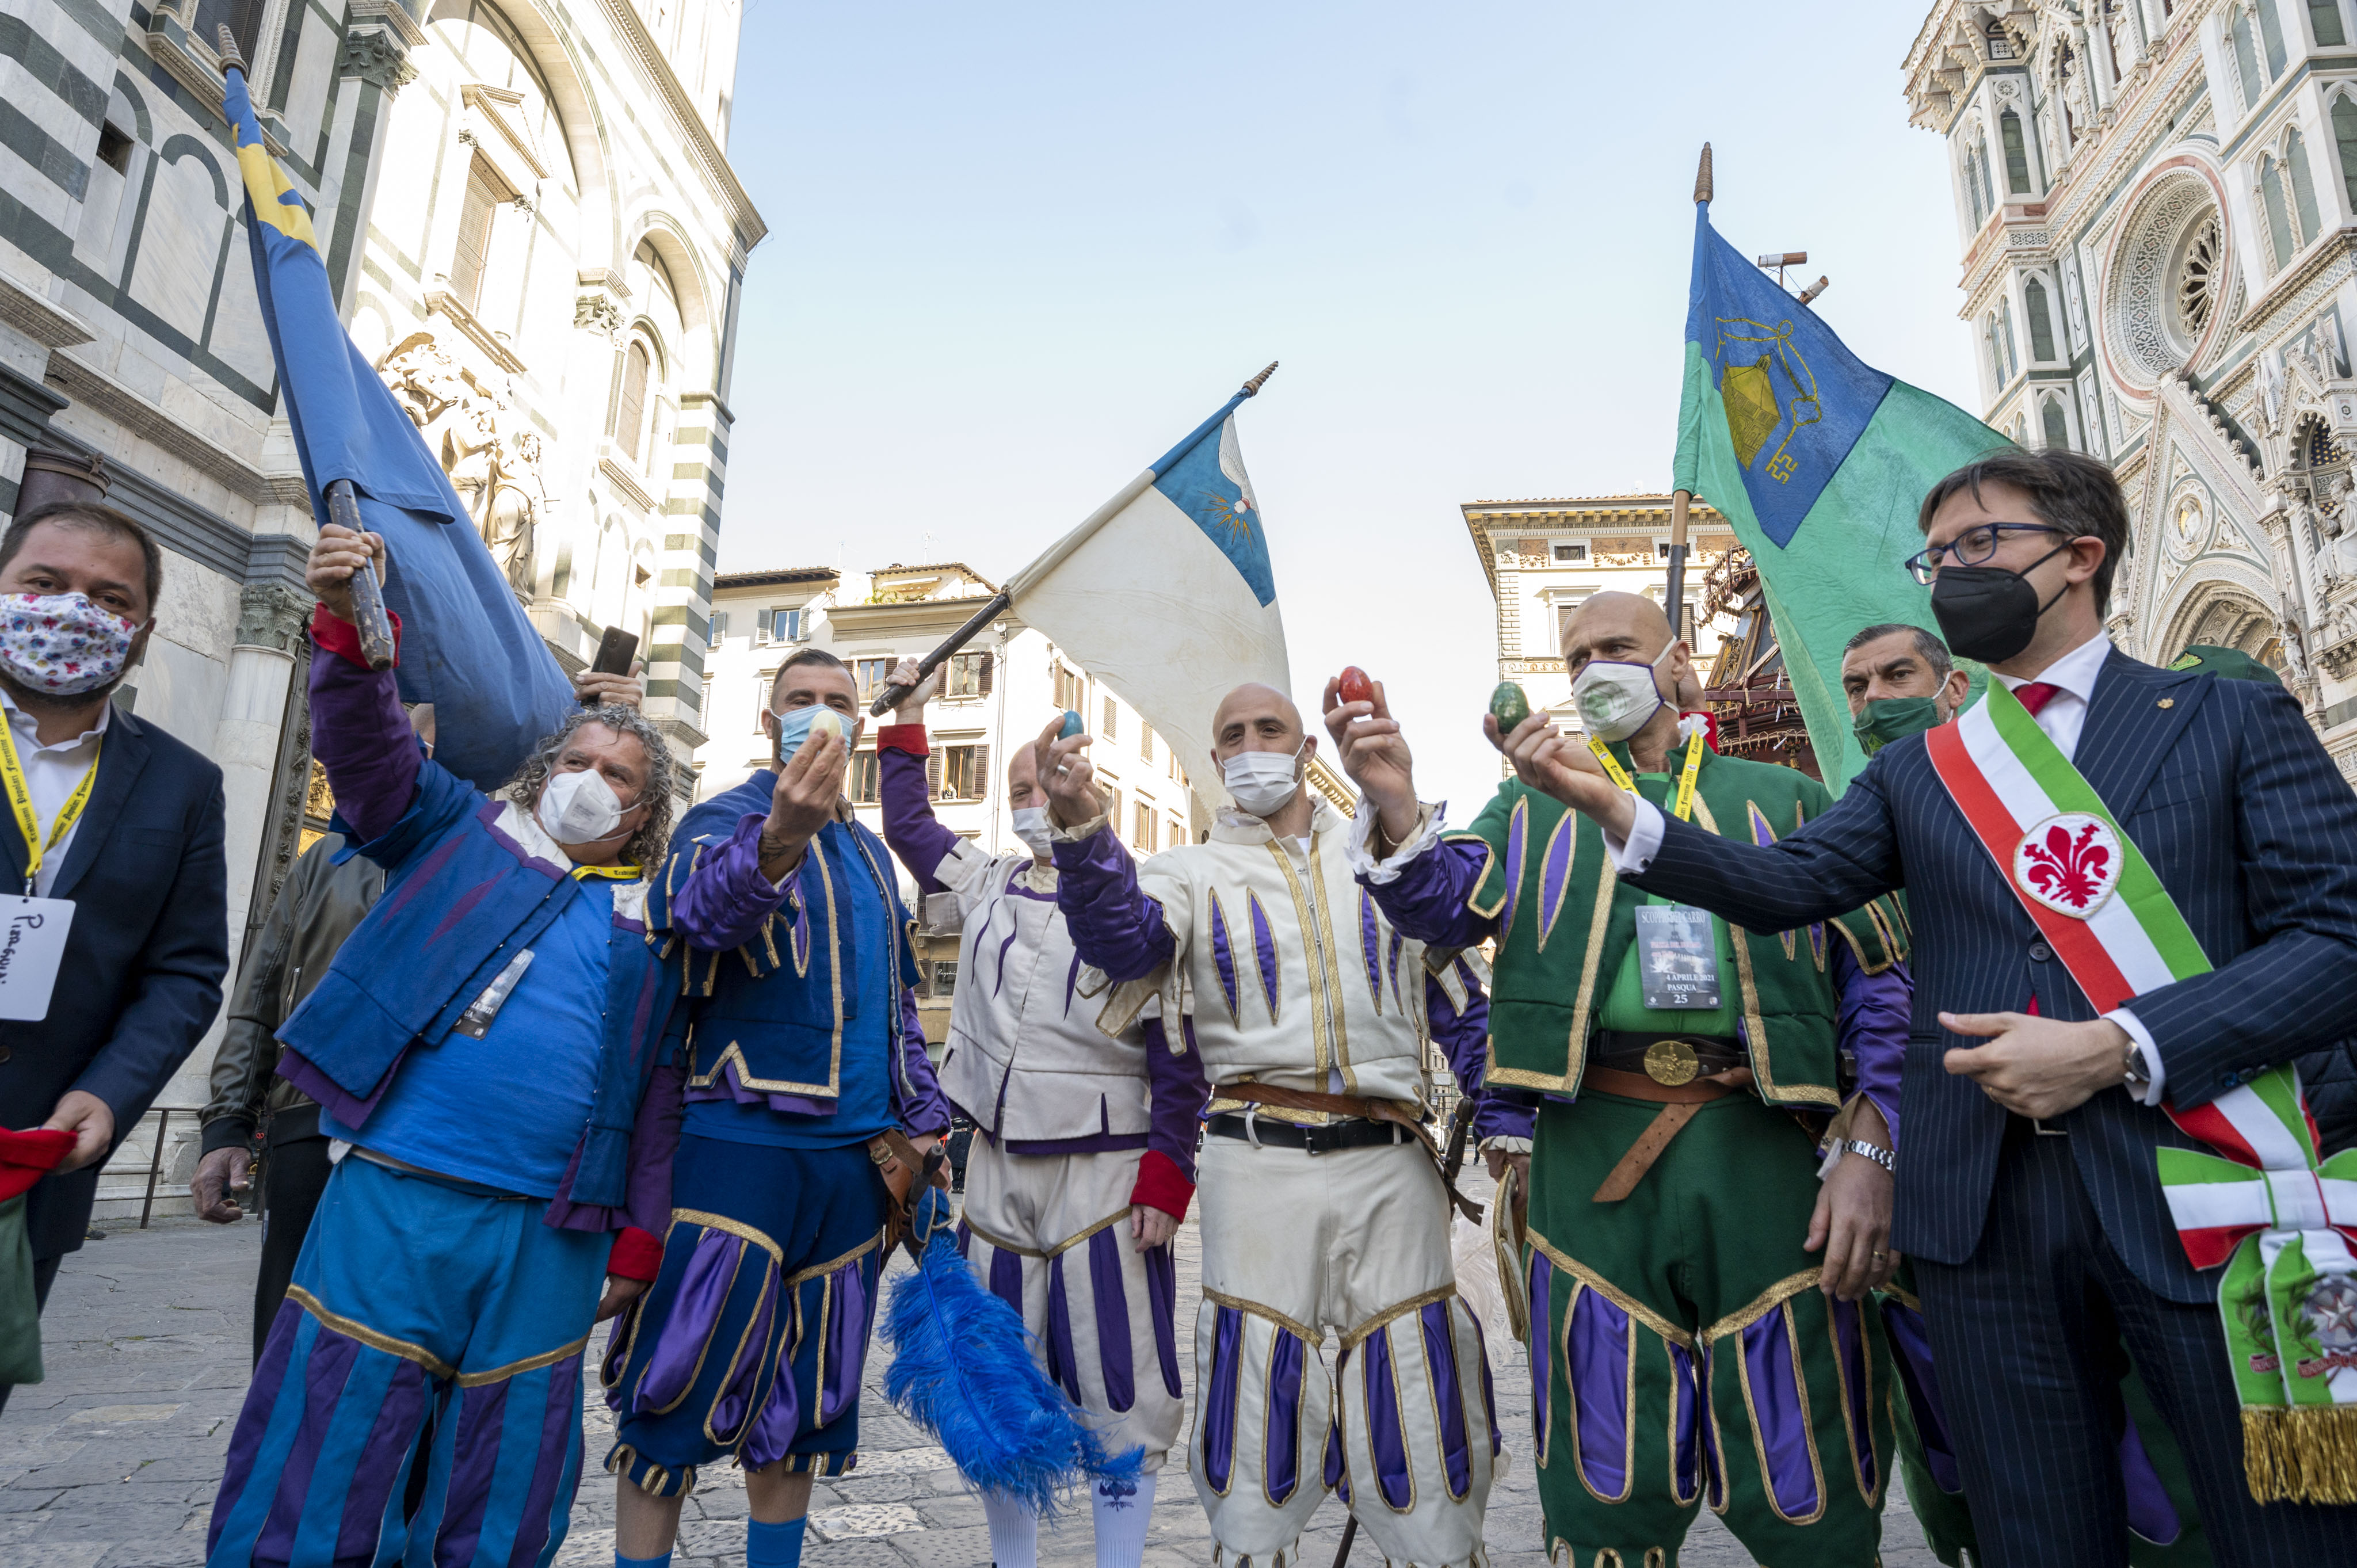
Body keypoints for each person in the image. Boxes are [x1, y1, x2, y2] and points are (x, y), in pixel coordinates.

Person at [1500, 449, 2357, 1563]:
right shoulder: (1925, 771)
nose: (1949, 572)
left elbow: (2335, 939)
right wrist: (1615, 812)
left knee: (2278, 1529)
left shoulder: (2222, 719)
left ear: (2076, 558)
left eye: (1978, 545)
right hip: (1985, 1213)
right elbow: (1786, 886)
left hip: (2200, 1188)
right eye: (1936, 556)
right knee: (2036, 1534)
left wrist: (2118, 1046)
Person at [1327, 598, 1912, 1567]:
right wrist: (1395, 802)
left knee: (1804, 1425)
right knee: (1605, 1441)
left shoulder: (1788, 798)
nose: (1597, 666)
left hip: (1765, 1144)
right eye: (1579, 655)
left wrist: (1873, 1135)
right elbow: (1439, 909)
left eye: (1619, 649)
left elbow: (1879, 983)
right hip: (1591, 1147)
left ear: (1675, 662)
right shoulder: (1529, 804)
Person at [205, 523, 683, 1568]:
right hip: (394, 1189)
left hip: (553, 1232)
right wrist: (350, 627)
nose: (589, 782)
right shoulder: (455, 832)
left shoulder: (660, 924)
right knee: (327, 1432)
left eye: (616, 774)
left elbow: (660, 1097)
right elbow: (369, 754)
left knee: (506, 1472)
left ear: (644, 817)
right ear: (543, 769)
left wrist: (640, 1242)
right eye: (576, 760)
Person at [1040, 681, 1528, 1568]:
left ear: (1307, 750)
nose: (1252, 742)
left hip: (1394, 1161)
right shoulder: (1184, 872)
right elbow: (1125, 943)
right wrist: (1081, 834)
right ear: (1218, 760)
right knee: (1257, 1390)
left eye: (1272, 728)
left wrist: (1504, 1123)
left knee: (1418, 1389)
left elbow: (1460, 999)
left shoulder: (1386, 853)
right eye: (1233, 733)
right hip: (1254, 1160)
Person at [1841, 620, 2209, 1566]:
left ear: (1952, 686)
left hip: (2144, 1160)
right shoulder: (1855, 822)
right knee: (2013, 1476)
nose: (1876, 699)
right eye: (1856, 686)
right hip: (1965, 1193)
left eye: (1897, 675)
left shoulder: (2055, 799)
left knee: (2178, 1457)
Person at [605, 646, 949, 1568]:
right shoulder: (720, 819)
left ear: (860, 725)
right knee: (671, 1396)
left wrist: (926, 1120)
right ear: (771, 722)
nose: (821, 713)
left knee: (807, 1409)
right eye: (801, 700)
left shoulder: (876, 856)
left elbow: (898, 1005)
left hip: (850, 1177)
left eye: (838, 701)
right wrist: (780, 837)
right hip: (734, 1158)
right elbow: (696, 923)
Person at [193, 674, 644, 1364]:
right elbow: (262, 988)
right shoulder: (338, 856)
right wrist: (227, 1121)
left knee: (426, 1359)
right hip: (312, 1119)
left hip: (436, 1146)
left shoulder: (497, 857)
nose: (414, 758)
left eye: (427, 747)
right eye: (575, 763)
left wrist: (608, 725)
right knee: (302, 1344)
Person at [871, 657, 1192, 1568]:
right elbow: (907, 821)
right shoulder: (985, 881)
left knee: (1117, 1383)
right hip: (997, 1171)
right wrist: (910, 721)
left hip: (1107, 1174)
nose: (1031, 797)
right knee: (1002, 1384)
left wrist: (1169, 1171)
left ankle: (1120, 1560)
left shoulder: (1149, 894)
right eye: (1018, 786)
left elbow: (1178, 1045)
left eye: (1047, 782)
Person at [0, 501, 227, 1417]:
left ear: (139, 634)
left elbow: (185, 970)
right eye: (45, 585)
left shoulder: (183, 784)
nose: (73, 611)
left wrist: (110, 1090)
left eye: (108, 597)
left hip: (29, 1165)